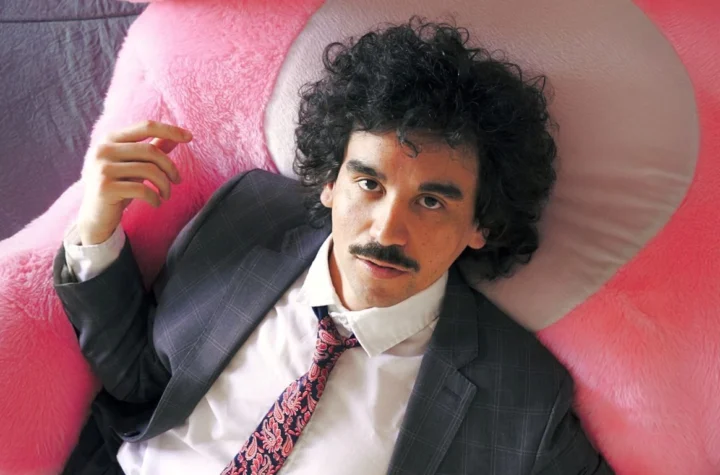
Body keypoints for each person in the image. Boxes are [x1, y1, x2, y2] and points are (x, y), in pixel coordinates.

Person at [54, 18, 613, 475]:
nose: (385, 232)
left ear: (481, 223)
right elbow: (141, 379)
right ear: (329, 180)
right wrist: (97, 229)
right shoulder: (246, 218)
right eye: (369, 184)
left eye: (431, 202)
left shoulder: (520, 393)